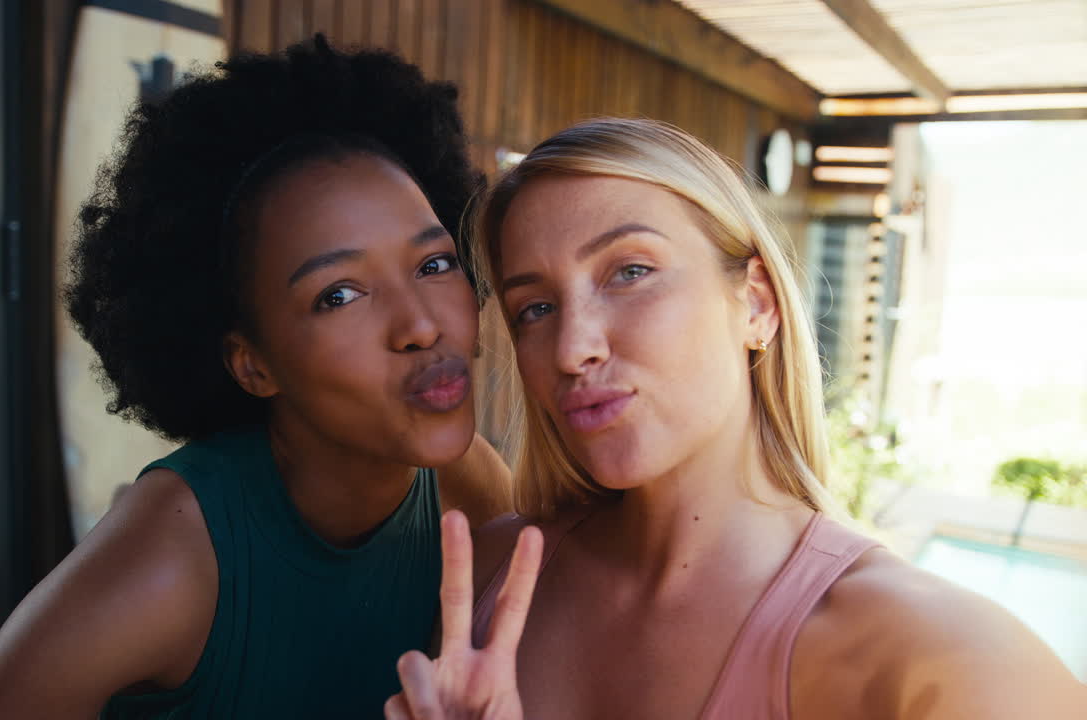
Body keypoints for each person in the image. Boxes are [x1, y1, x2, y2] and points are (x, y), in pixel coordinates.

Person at [384, 118, 1085, 719]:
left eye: (629, 272)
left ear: (755, 304)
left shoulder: (936, 655)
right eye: (535, 309)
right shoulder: (484, 579)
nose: (573, 349)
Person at [0, 35, 510, 720]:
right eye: (338, 295)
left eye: (434, 264)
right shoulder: (176, 552)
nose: (420, 326)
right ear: (251, 363)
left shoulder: (468, 487)